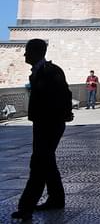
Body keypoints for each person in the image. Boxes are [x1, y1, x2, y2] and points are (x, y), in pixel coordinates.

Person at [12, 39, 72, 221]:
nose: (24, 55)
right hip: (45, 123)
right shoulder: (44, 71)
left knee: (38, 163)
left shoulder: (49, 71)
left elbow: (63, 94)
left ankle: (26, 207)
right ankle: (56, 198)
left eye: (27, 51)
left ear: (35, 52)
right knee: (47, 162)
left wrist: (63, 113)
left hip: (49, 124)